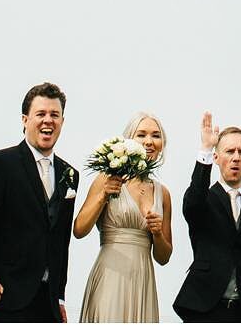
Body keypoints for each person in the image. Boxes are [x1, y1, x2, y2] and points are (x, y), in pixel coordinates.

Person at [0, 84, 81, 323]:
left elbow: (62, 240)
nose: (48, 121)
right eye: (40, 114)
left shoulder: (70, 174)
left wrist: (60, 297)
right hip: (4, 296)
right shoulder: (0, 163)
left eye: (54, 115)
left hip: (48, 301)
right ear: (25, 119)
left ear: (62, 121)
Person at [74, 112, 176, 322]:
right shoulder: (108, 178)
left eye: (156, 136)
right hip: (110, 276)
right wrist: (103, 195)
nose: (149, 141)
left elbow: (164, 257)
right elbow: (79, 230)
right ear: (129, 140)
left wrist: (157, 233)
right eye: (142, 135)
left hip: (143, 280)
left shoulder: (162, 193)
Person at [173, 114, 241, 323]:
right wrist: (206, 150)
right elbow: (192, 205)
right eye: (229, 151)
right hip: (204, 307)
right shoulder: (204, 198)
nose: (236, 157)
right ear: (217, 158)